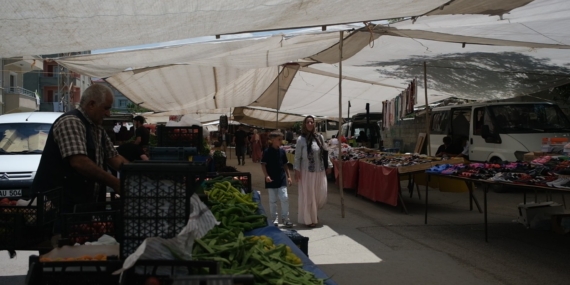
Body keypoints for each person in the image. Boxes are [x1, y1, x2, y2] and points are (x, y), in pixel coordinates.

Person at [31, 84, 130, 214]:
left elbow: (114, 158)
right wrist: (116, 183)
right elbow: (79, 162)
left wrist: (138, 173)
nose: (108, 113)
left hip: (82, 206)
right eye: (106, 108)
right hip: (58, 208)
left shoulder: (97, 128)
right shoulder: (71, 121)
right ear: (91, 104)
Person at [294, 115, 332, 228]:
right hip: (307, 172)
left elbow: (325, 152)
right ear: (304, 124)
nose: (310, 124)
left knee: (320, 194)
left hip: (319, 171)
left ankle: (314, 215)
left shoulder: (319, 137)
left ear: (314, 124)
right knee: (309, 196)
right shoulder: (301, 139)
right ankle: (309, 218)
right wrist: (297, 169)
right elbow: (297, 157)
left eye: (312, 122)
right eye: (308, 122)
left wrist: (329, 165)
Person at [261, 131, 293, 227]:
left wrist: (289, 177)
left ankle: (285, 218)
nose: (281, 141)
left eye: (281, 139)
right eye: (279, 139)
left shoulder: (282, 151)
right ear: (272, 140)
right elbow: (263, 165)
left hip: (281, 178)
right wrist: (266, 176)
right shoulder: (266, 152)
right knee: (273, 200)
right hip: (271, 179)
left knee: (284, 198)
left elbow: (285, 165)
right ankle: (274, 219)